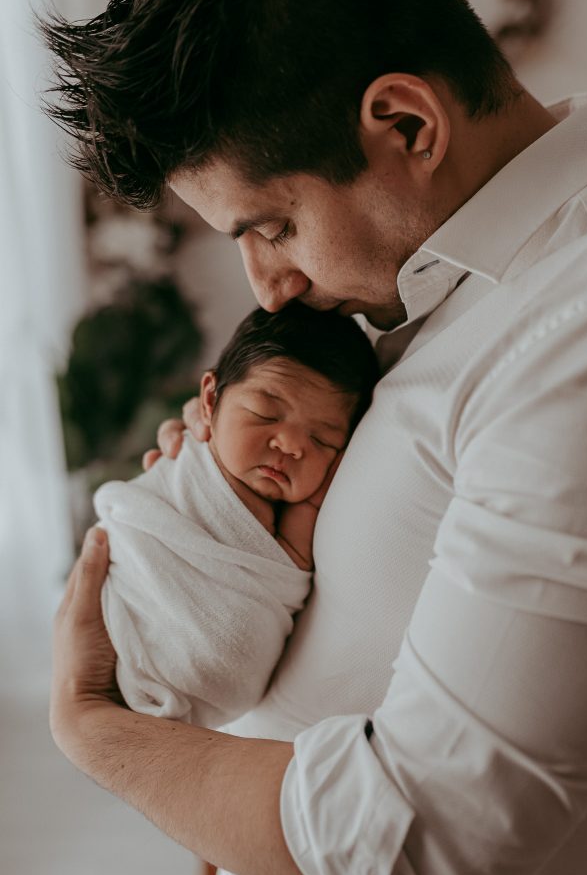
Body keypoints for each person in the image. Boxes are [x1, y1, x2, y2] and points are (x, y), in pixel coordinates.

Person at [41, 0, 587, 875]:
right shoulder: (414, 295)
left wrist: (95, 731)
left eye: (272, 225)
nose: (266, 287)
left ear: (406, 126)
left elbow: (423, 851)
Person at [95, 303, 378, 728]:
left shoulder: (301, 511)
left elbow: (289, 569)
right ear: (209, 400)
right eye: (266, 414)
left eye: (322, 439)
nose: (290, 444)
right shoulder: (185, 462)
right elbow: (134, 525)